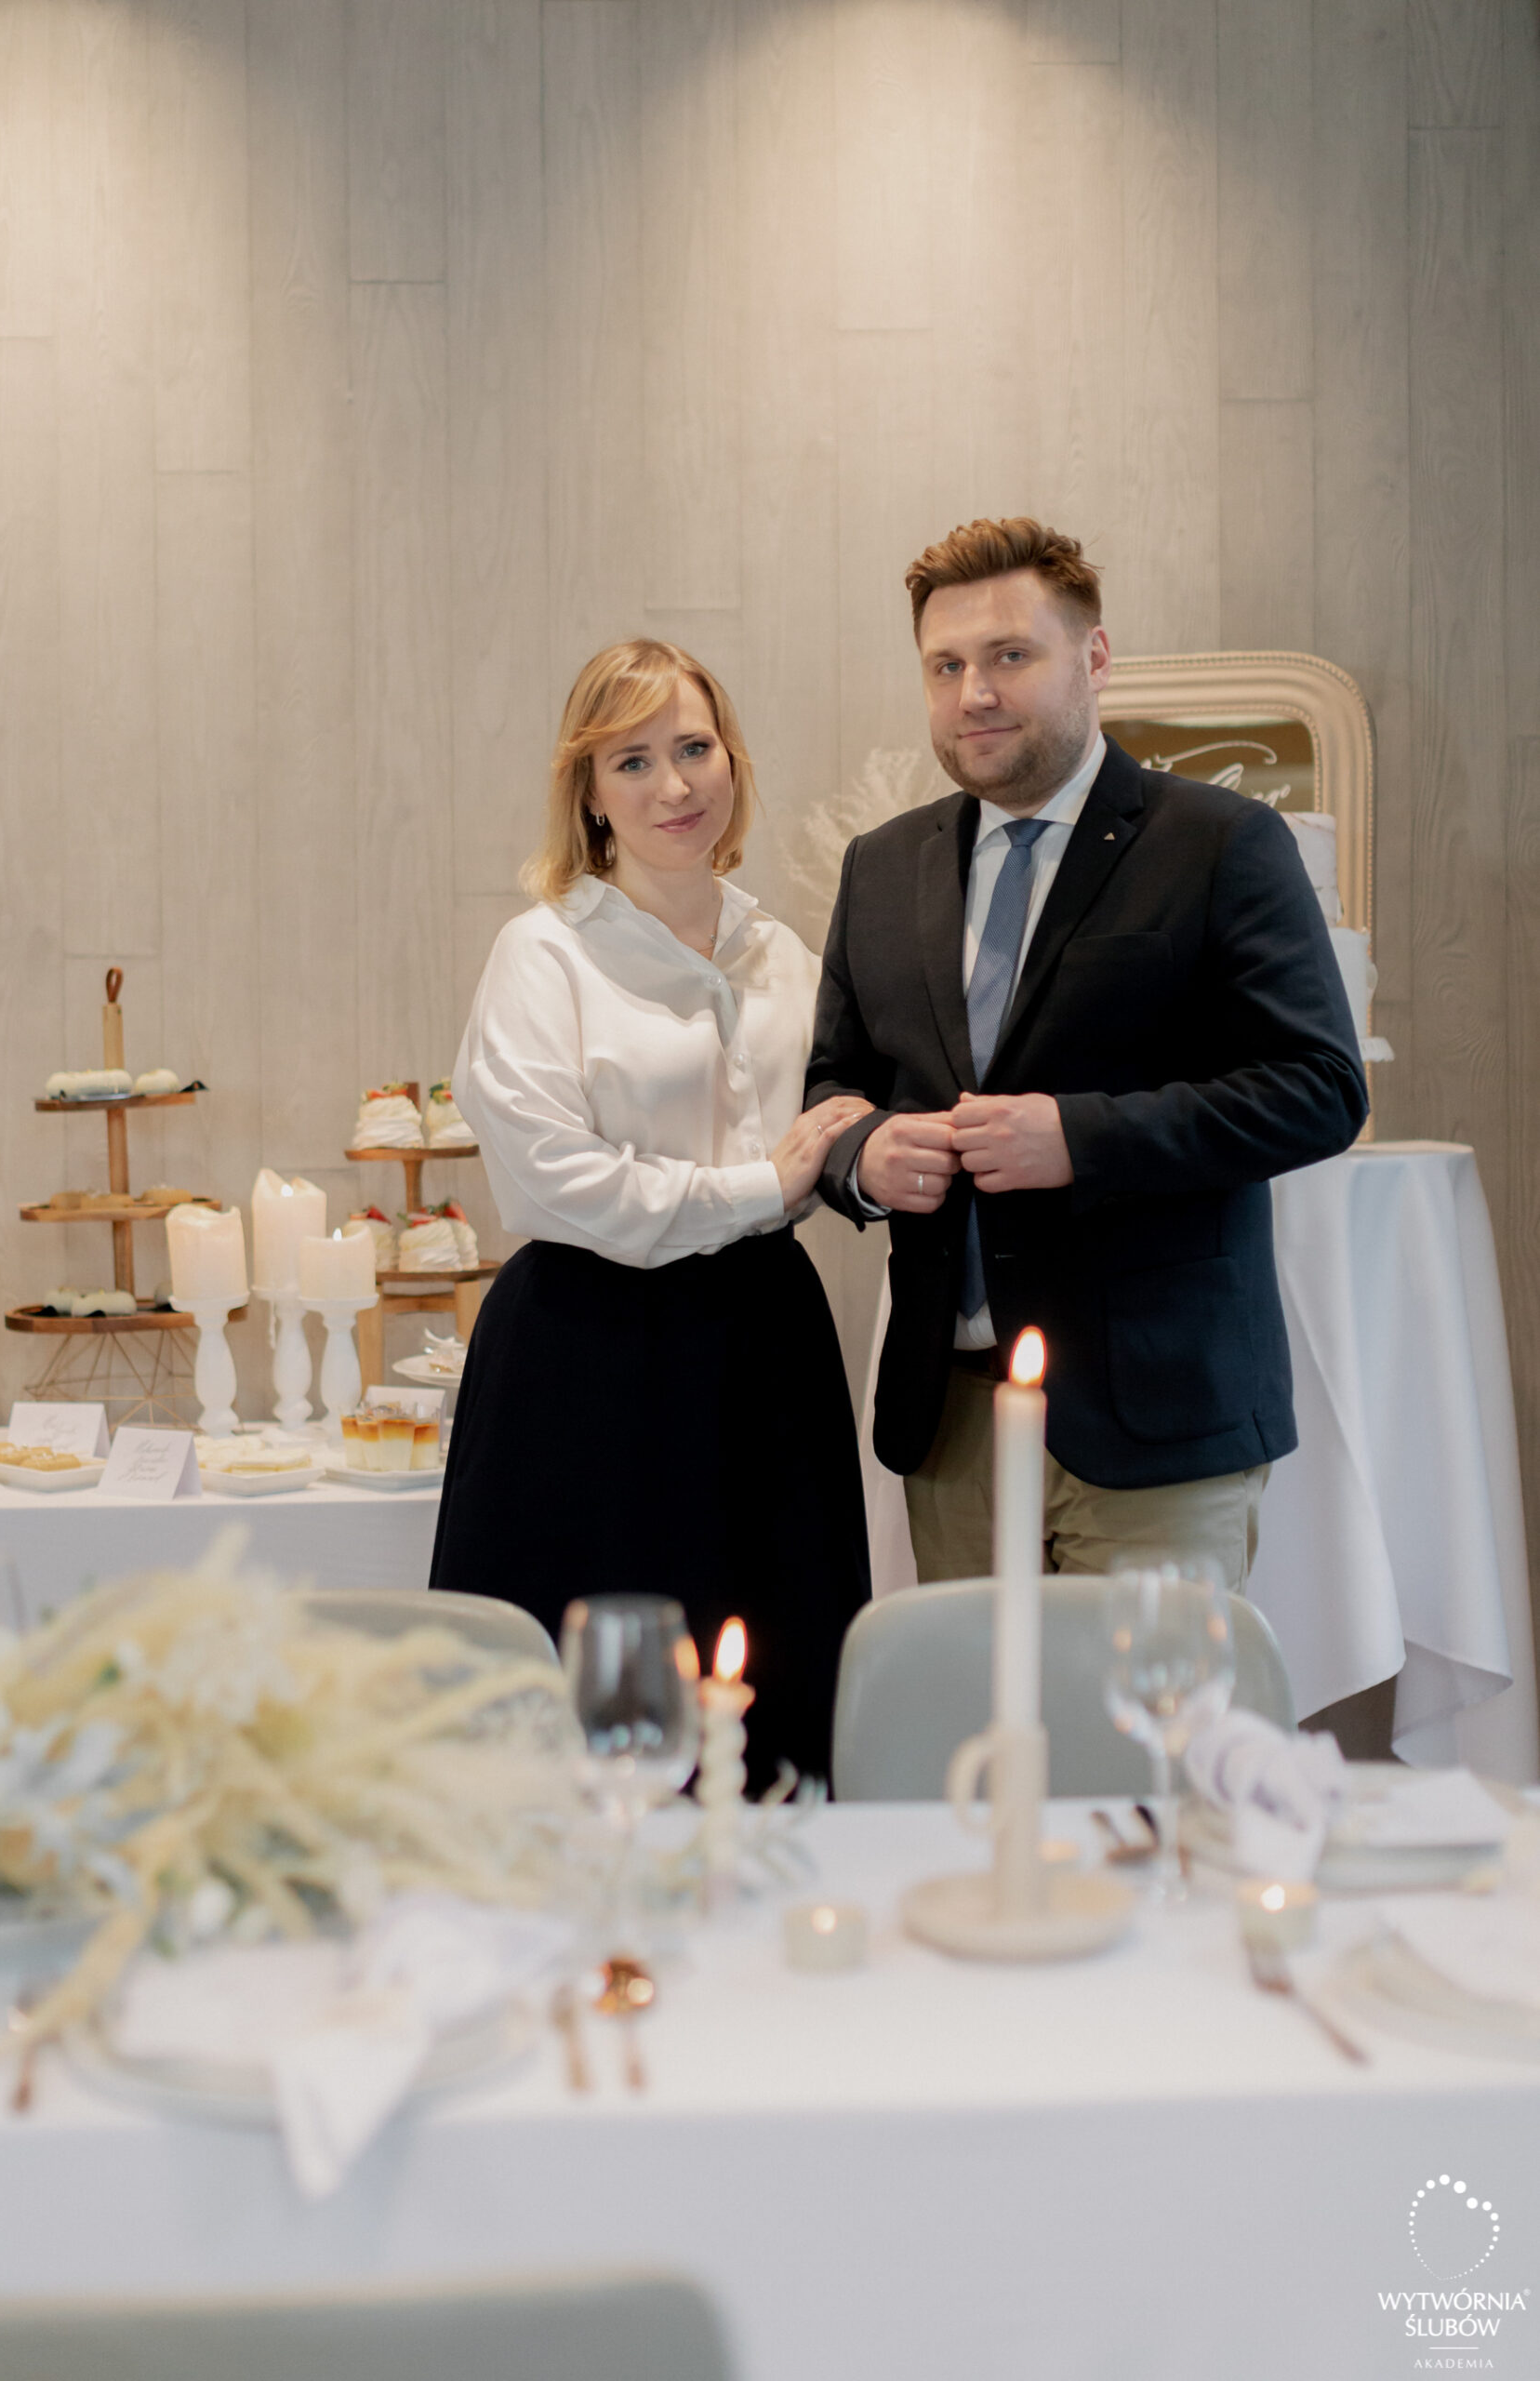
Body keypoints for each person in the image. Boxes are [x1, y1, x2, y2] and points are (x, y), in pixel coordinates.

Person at [806, 516, 1368, 1590]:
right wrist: (863, 1158)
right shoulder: (880, 866)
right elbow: (833, 1087)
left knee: (1149, 1707)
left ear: (1094, 657)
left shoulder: (1221, 842)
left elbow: (1320, 1089)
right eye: (946, 665)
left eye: (1010, 655)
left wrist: (1080, 1137)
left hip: (1158, 1417)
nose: (975, 692)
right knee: (976, 1706)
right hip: (951, 1420)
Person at [431, 638, 872, 1789]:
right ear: (588, 792)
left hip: (766, 1346)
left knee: (778, 1673)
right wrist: (759, 1187)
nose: (673, 785)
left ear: (732, 760)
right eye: (632, 761)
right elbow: (553, 1179)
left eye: (693, 748)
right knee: (586, 1701)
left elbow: (840, 1123)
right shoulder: (543, 952)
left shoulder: (788, 957)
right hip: (585, 1351)